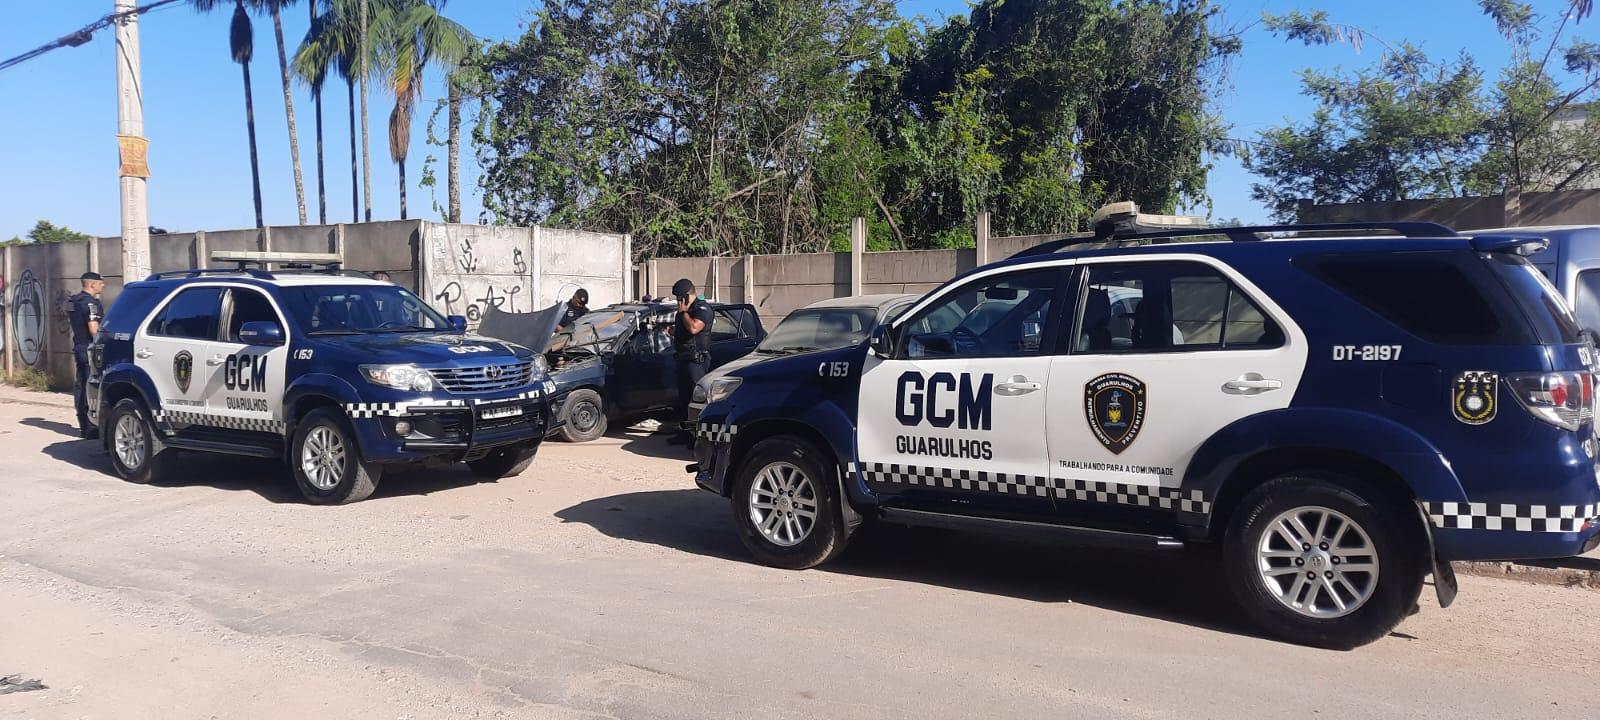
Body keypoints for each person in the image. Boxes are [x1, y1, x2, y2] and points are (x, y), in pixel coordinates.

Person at [667, 278, 713, 444]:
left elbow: (694, 328)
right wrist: (673, 330)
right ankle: (686, 434)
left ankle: (699, 439)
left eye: (679, 298)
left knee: (696, 402)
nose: (678, 302)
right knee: (684, 401)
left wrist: (683, 312)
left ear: (686, 297)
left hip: (696, 363)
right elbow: (684, 330)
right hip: (683, 360)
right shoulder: (685, 312)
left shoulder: (702, 309)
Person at [68, 272, 105, 439]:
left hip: (79, 346)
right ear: (92, 284)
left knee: (81, 385)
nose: (103, 285)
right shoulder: (90, 303)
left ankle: (84, 425)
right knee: (90, 387)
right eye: (100, 283)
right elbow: (93, 329)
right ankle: (91, 427)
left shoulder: (74, 301)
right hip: (90, 348)